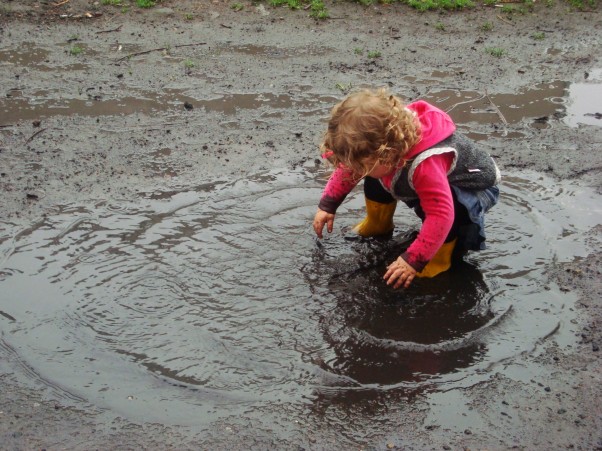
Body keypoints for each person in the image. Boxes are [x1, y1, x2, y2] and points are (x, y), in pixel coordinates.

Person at [312, 88, 500, 289]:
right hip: (414, 174)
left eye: (358, 166)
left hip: (470, 190)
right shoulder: (381, 146)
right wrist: (328, 205)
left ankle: (438, 258)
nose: (353, 171)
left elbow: (441, 215)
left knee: (452, 206)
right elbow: (349, 168)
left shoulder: (426, 165)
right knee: (373, 174)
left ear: (387, 153)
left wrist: (413, 259)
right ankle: (378, 223)